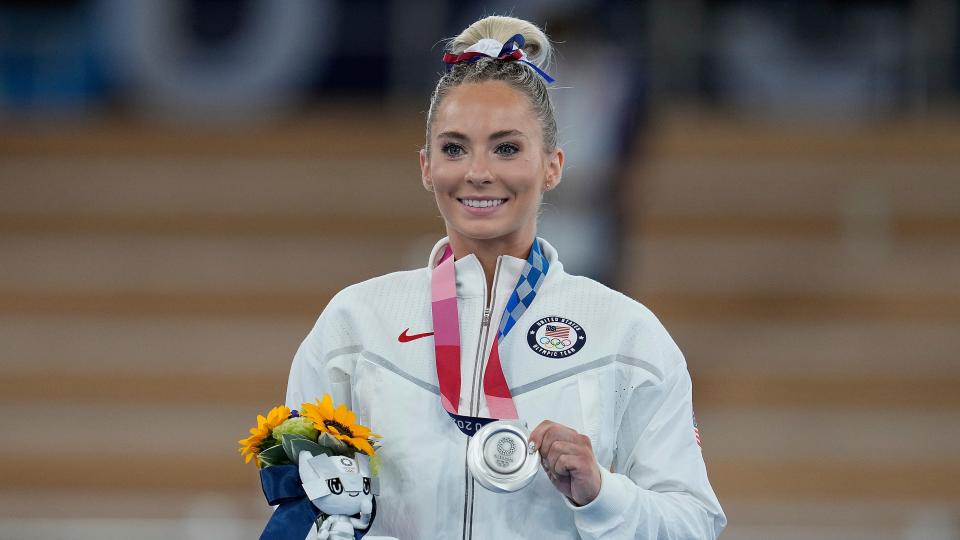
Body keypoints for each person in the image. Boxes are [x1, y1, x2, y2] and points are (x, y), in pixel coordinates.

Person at [286, 15, 726, 540]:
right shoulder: (355, 325)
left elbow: (694, 524)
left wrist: (601, 492)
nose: (478, 171)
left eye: (507, 147)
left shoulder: (626, 334)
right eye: (454, 148)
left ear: (553, 165)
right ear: (426, 167)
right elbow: (303, 506)